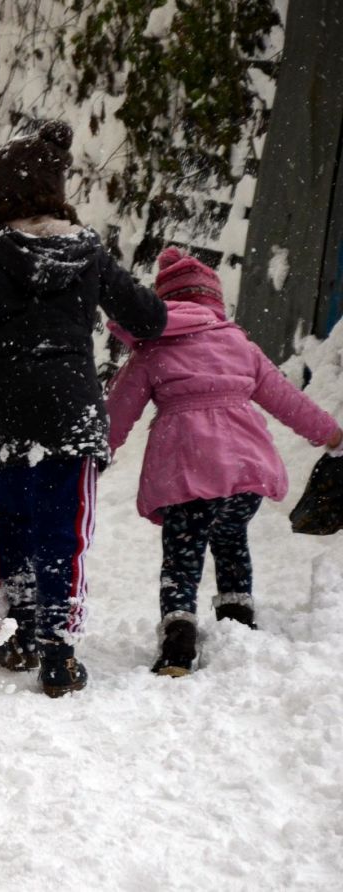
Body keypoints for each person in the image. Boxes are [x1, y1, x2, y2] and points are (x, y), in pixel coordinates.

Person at [0, 121, 167, 698]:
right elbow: (148, 319)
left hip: (3, 419)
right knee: (64, 533)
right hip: (69, 416)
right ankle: (58, 650)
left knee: (11, 526)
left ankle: (23, 633)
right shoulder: (89, 255)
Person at [107, 247, 343, 675]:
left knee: (183, 555)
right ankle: (238, 619)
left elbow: (120, 410)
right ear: (214, 302)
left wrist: (95, 451)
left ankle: (179, 640)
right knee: (231, 538)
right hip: (244, 469)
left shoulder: (153, 349)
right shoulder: (240, 345)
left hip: (187, 471)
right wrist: (330, 434)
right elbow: (286, 399)